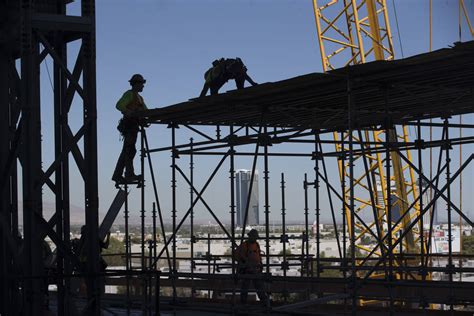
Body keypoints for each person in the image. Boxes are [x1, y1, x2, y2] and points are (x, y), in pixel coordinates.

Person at [112, 74, 149, 185]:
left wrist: (146, 118)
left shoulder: (139, 98)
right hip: (129, 126)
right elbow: (119, 105)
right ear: (136, 84)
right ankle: (129, 174)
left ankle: (118, 175)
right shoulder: (129, 95)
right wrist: (128, 111)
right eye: (142, 83)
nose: (143, 86)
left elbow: (146, 110)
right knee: (129, 150)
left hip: (133, 126)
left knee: (127, 150)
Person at [234, 229, 269, 305]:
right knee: (245, 289)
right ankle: (243, 304)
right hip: (247, 271)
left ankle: (264, 303)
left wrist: (260, 264)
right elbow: (236, 256)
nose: (255, 239)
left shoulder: (256, 245)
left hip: (256, 270)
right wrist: (244, 262)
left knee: (259, 288)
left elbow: (258, 256)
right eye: (254, 237)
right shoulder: (244, 245)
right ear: (251, 236)